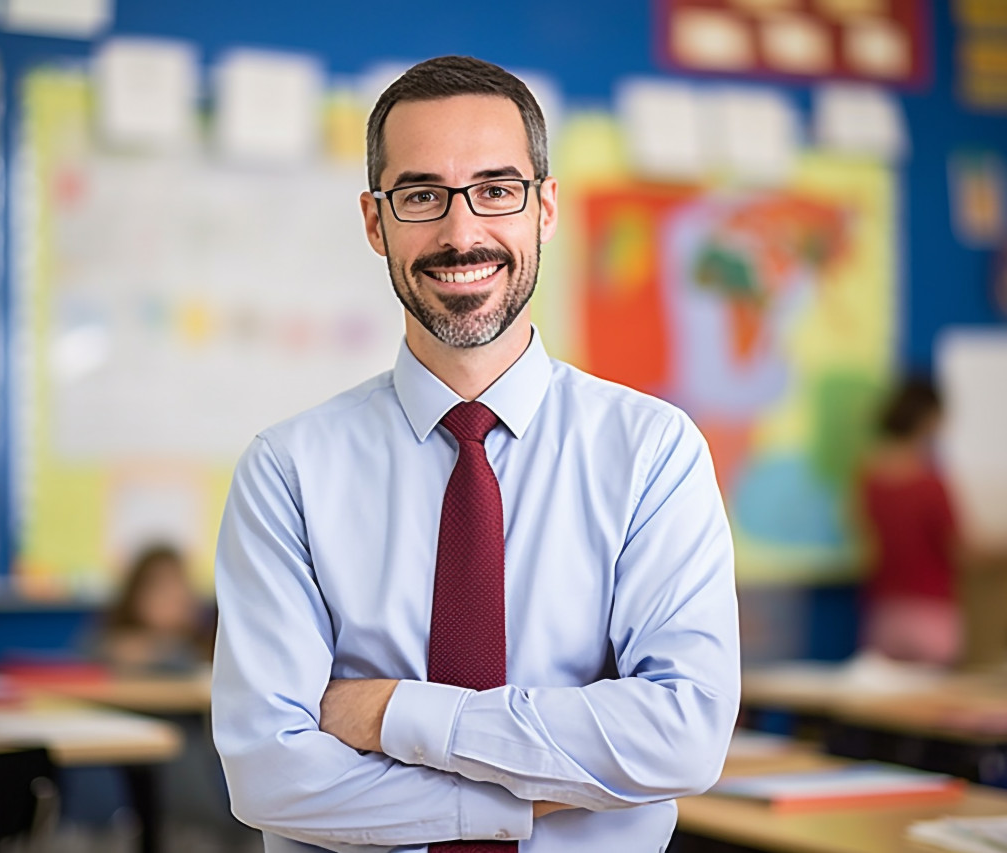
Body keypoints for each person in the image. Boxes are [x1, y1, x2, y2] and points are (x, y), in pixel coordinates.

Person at [212, 56, 739, 853]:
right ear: (373, 220)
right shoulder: (288, 470)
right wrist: (536, 796)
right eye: (422, 195)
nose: (462, 234)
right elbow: (270, 775)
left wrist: (390, 712)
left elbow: (683, 735)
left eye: (497, 190)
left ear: (545, 207)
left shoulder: (653, 454)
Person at [857, 377, 1007, 667]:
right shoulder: (930, 484)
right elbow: (963, 552)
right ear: (929, 419)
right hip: (931, 616)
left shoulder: (869, 480)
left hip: (884, 615)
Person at [98, 543, 213, 672]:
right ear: (137, 597)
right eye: (163, 589)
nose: (177, 595)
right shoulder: (113, 646)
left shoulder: (206, 648)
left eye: (181, 584)